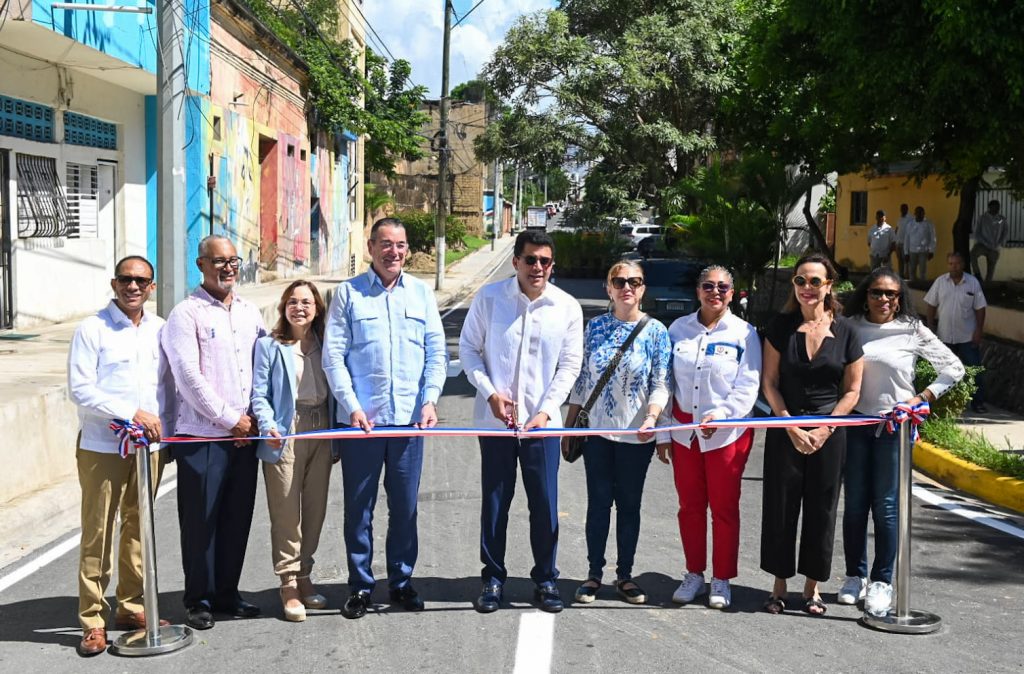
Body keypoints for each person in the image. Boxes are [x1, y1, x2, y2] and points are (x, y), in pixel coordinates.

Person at [322, 217, 446, 620]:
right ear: (371, 246)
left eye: (401, 245)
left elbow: (436, 353)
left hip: (410, 423)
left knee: (405, 507)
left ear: (407, 250)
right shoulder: (348, 294)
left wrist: (429, 400)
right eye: (386, 244)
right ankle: (360, 585)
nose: (394, 252)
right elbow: (333, 357)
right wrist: (352, 406)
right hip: (363, 424)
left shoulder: (421, 294)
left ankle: (401, 581)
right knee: (359, 508)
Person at [459, 229, 583, 614]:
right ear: (515, 261)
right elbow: (468, 349)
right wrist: (491, 394)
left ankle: (546, 579)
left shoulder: (566, 307)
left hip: (541, 426)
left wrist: (546, 411)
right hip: (496, 424)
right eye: (530, 260)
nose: (538, 267)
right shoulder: (491, 298)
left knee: (544, 503)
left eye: (545, 261)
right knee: (495, 503)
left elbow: (569, 367)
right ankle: (493, 579)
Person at [840, 269, 963, 615]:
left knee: (887, 507)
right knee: (854, 506)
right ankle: (855, 576)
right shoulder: (849, 325)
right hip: (855, 424)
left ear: (899, 298)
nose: (883, 299)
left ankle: (882, 582)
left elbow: (954, 368)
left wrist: (922, 397)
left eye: (891, 294)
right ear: (865, 294)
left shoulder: (912, 329)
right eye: (877, 292)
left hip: (894, 430)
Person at [162, 235, 267, 630]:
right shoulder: (185, 315)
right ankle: (199, 599)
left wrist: (253, 419)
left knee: (237, 518)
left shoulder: (249, 312)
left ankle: (227, 592)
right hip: (203, 437)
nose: (228, 268)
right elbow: (188, 377)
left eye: (233, 261)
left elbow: (262, 367)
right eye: (219, 261)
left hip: (245, 434)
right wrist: (229, 419)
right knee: (201, 522)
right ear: (201, 264)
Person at [67, 256, 168, 656]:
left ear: (152, 287)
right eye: (125, 279)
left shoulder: (160, 329)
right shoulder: (92, 329)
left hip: (149, 449)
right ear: (114, 283)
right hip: (102, 447)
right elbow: (81, 389)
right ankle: (92, 619)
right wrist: (130, 414)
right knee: (98, 532)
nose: (133, 286)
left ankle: (130, 607)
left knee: (138, 529)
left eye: (141, 280)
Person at [760, 252, 863, 616]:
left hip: (829, 433)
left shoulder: (847, 331)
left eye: (815, 281)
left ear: (829, 285)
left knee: (822, 508)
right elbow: (769, 384)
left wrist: (825, 428)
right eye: (800, 280)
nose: (807, 287)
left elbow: (852, 391)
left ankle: (812, 587)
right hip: (784, 430)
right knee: (780, 506)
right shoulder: (780, 326)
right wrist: (789, 425)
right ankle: (778, 586)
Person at [564, 261, 671, 606]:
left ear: (643, 289)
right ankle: (594, 574)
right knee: (598, 504)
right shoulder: (594, 327)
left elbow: (661, 381)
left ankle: (625, 576)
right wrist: (570, 424)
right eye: (619, 281)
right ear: (608, 288)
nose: (627, 287)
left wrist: (652, 417)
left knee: (629, 506)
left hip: (636, 436)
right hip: (597, 433)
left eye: (634, 282)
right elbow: (582, 381)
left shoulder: (656, 332)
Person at [657, 265, 762, 610]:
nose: (714, 292)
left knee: (724, 508)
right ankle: (694, 574)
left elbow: (749, 384)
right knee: (689, 507)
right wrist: (663, 432)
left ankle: (722, 578)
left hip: (726, 435)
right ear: (698, 290)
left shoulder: (744, 333)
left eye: (722, 287)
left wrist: (725, 413)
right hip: (685, 433)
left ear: (732, 293)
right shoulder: (678, 329)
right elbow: (665, 383)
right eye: (708, 286)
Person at [251, 281, 334, 622]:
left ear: (316, 308)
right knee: (287, 511)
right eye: (293, 302)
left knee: (315, 509)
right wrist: (267, 423)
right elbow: (259, 394)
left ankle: (304, 574)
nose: (299, 308)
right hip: (286, 431)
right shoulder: (270, 346)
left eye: (307, 302)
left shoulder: (327, 343)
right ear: (284, 306)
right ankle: (287, 582)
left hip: (322, 427)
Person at [923, 251, 987, 412]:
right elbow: (931, 304)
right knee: (941, 371)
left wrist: (979, 330)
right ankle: (940, 405)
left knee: (974, 371)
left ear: (963, 265)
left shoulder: (972, 283)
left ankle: (978, 403)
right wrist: (930, 326)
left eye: (957, 264)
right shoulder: (940, 282)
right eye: (951, 264)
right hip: (944, 336)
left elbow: (980, 308)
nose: (953, 267)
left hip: (967, 336)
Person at [970, 199, 1009, 283]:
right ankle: (977, 274)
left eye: (998, 207)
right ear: (989, 207)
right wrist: (984, 243)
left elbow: (1005, 231)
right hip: (982, 245)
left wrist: (1000, 243)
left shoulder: (1001, 219)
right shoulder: (982, 218)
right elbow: (976, 233)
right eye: (994, 207)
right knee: (972, 255)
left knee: (991, 268)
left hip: (995, 247)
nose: (996, 209)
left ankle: (987, 285)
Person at [903, 206, 937, 283]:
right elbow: (906, 239)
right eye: (917, 212)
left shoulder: (929, 224)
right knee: (912, 270)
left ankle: (922, 286)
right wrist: (906, 252)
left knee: (922, 271)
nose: (919, 214)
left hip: (923, 251)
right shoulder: (910, 224)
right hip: (912, 251)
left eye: (921, 213)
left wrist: (932, 250)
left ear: (924, 214)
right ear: (914, 214)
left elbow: (933, 238)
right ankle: (912, 285)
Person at [895, 203, 913, 279]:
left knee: (906, 260)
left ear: (907, 209)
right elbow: (897, 229)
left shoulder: (910, 218)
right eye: (901, 208)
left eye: (904, 208)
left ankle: (907, 276)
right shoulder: (900, 219)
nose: (902, 210)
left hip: (906, 243)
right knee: (900, 261)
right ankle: (901, 276)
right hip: (898, 243)